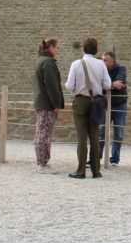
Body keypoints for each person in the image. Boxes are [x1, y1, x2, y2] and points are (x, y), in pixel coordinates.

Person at [65, 37, 111, 179]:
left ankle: (81, 171)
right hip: (96, 102)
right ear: (96, 50)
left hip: (80, 101)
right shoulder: (101, 64)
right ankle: (96, 171)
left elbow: (69, 85)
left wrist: (76, 92)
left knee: (82, 137)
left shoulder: (76, 64)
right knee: (95, 136)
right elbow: (107, 84)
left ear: (83, 49)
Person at [33, 37, 64, 173]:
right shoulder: (48, 62)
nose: (58, 50)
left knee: (41, 132)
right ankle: (42, 164)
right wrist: (56, 103)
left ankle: (42, 162)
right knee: (44, 134)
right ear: (50, 47)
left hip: (42, 102)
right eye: (57, 47)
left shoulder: (41, 60)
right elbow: (51, 86)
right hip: (47, 104)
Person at [99, 51, 127, 165]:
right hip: (105, 104)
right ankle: (97, 157)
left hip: (120, 104)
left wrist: (107, 85)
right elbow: (99, 84)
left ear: (112, 61)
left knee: (118, 132)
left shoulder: (121, 69)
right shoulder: (100, 70)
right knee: (101, 131)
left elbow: (119, 84)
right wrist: (111, 84)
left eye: (105, 60)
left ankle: (115, 158)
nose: (102, 62)